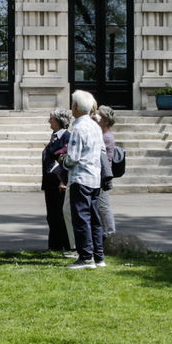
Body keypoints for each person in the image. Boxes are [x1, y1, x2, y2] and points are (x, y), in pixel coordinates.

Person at [63, 89, 106, 269]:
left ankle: (86, 257)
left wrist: (63, 161)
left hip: (80, 177)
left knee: (81, 218)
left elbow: (73, 157)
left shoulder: (78, 128)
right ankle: (99, 256)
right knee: (94, 219)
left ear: (75, 106)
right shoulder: (95, 126)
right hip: (94, 177)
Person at [41, 107, 72, 252]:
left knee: (60, 215)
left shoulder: (67, 137)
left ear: (59, 120)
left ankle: (65, 245)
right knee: (52, 215)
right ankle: (54, 245)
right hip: (50, 182)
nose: (49, 121)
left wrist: (63, 181)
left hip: (59, 182)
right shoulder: (54, 136)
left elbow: (67, 161)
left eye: (51, 119)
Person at [96, 104, 119, 236]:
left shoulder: (106, 137)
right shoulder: (102, 134)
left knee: (103, 205)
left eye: (99, 116)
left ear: (105, 120)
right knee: (100, 205)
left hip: (103, 175)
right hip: (99, 173)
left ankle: (110, 232)